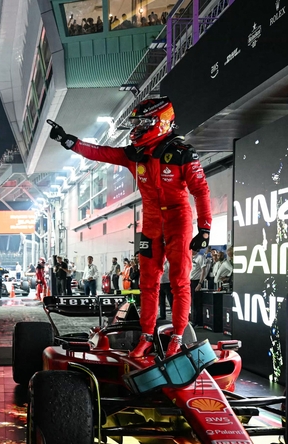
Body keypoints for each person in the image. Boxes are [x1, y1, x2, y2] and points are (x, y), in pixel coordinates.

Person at [48, 96, 212, 357]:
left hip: (178, 219)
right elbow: (101, 153)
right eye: (137, 122)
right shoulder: (133, 154)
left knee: (179, 281)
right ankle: (146, 336)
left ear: (160, 122)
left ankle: (177, 338)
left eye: (143, 122)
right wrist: (71, 142)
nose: (137, 128)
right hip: (150, 221)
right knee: (148, 282)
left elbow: (201, 191)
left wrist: (204, 228)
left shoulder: (183, 153)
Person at [189, 248, 208, 326]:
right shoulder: (189, 257)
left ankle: (197, 321)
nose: (191, 251)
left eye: (192, 249)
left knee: (196, 302)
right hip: (189, 281)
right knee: (191, 302)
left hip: (196, 282)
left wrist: (200, 283)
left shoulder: (200, 257)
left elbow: (203, 270)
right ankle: (193, 319)